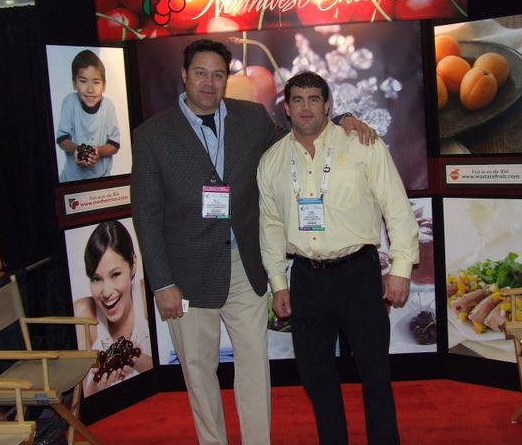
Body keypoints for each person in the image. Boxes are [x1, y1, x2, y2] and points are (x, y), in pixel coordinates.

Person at [130, 39, 375, 445]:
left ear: (227, 79)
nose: (209, 83)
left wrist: (342, 118)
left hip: (245, 267)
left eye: (218, 75)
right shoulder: (152, 136)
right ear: (184, 75)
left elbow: (299, 134)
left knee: (254, 366)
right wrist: (162, 283)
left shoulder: (252, 117)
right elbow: (146, 214)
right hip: (186, 278)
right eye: (200, 73)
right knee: (199, 370)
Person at [257, 71, 420, 444]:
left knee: (375, 374)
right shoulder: (272, 161)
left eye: (314, 99)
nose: (306, 107)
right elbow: (271, 226)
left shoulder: (362, 144)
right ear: (286, 108)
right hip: (306, 279)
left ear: (328, 105)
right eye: (297, 100)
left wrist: (400, 269)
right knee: (316, 378)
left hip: (358, 274)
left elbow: (396, 208)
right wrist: (278, 282)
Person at [76, 220, 153, 397]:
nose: (106, 292)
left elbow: (171, 368)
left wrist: (139, 361)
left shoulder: (146, 294)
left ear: (133, 265)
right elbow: (84, 396)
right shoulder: (84, 312)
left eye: (116, 274)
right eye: (97, 279)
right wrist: (98, 386)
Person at [56, 49, 120, 183]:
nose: (90, 89)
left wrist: (98, 151)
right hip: (71, 180)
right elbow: (62, 139)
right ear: (74, 83)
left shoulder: (108, 106)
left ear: (104, 86)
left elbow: (114, 144)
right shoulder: (69, 102)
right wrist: (77, 150)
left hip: (102, 179)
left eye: (96, 82)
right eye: (83, 81)